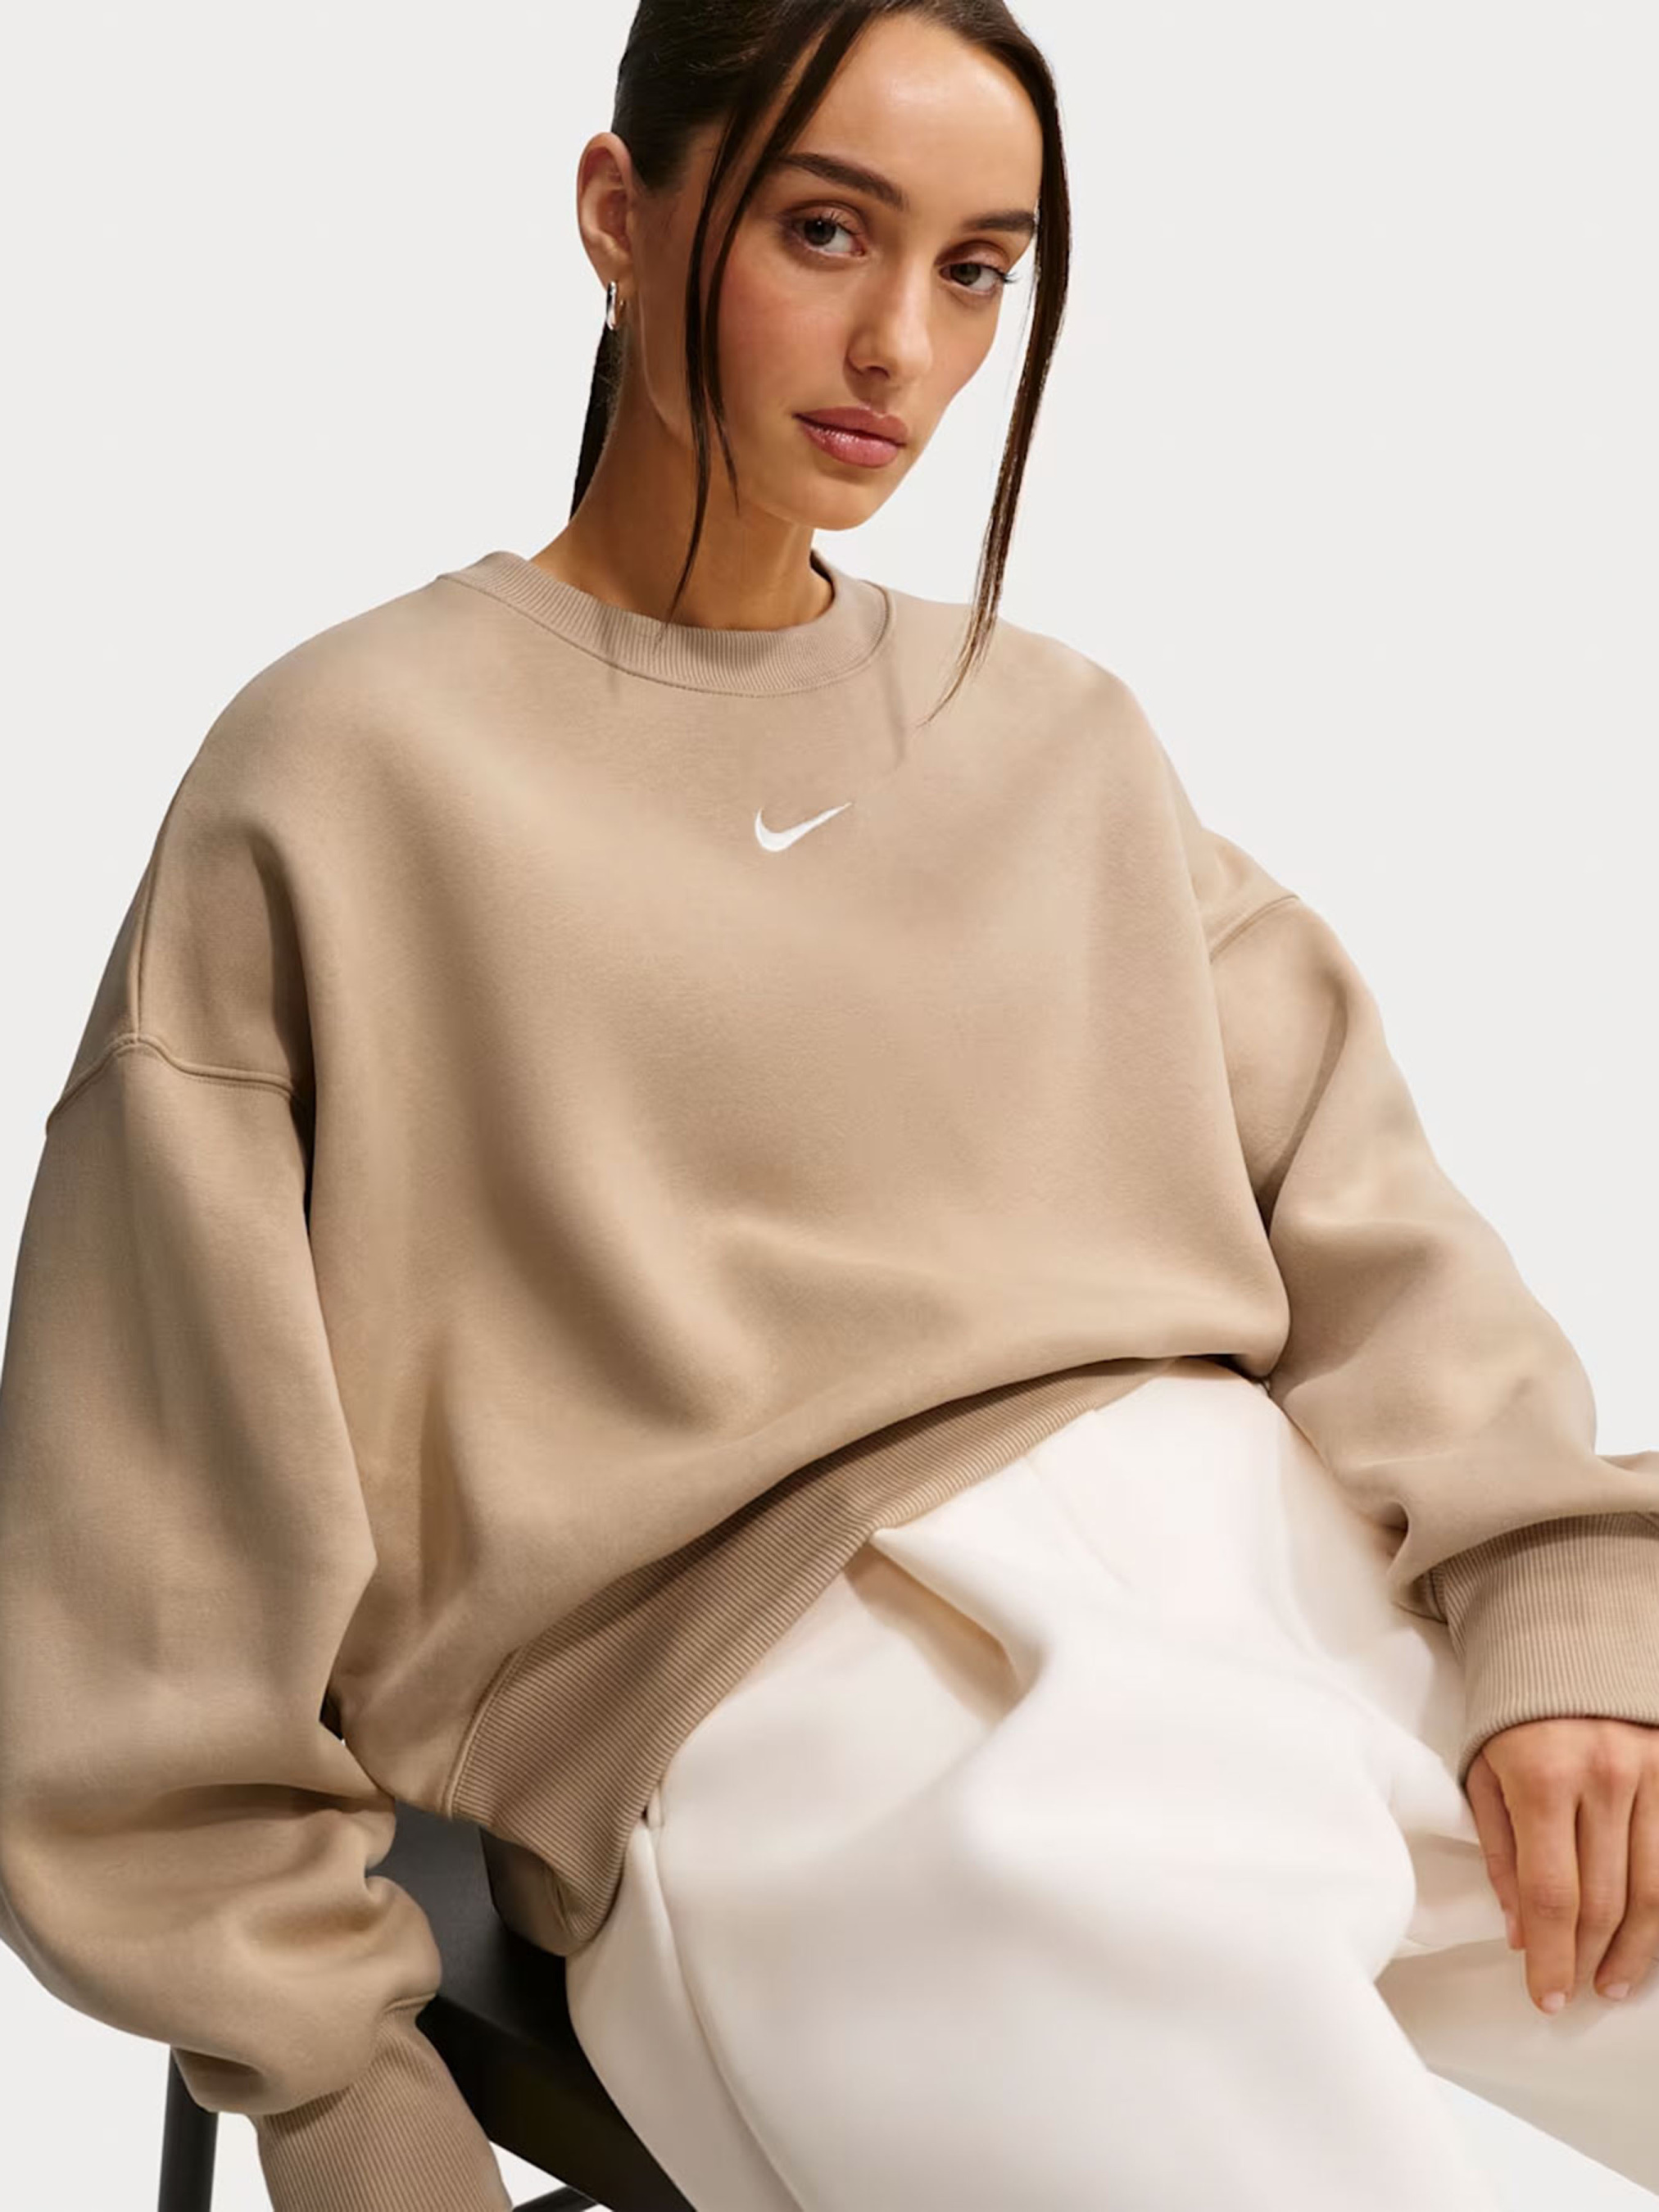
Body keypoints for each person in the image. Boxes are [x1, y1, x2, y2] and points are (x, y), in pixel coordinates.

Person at [1, 4, 1657, 2209]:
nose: (900, 344)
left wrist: (1558, 1613)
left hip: (1267, 1565)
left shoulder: (1054, 734)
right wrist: (344, 2101)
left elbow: (1369, 1215)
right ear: (619, 214)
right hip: (785, 1715)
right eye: (821, 231)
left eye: (975, 270)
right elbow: (147, 1534)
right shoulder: (342, 771)